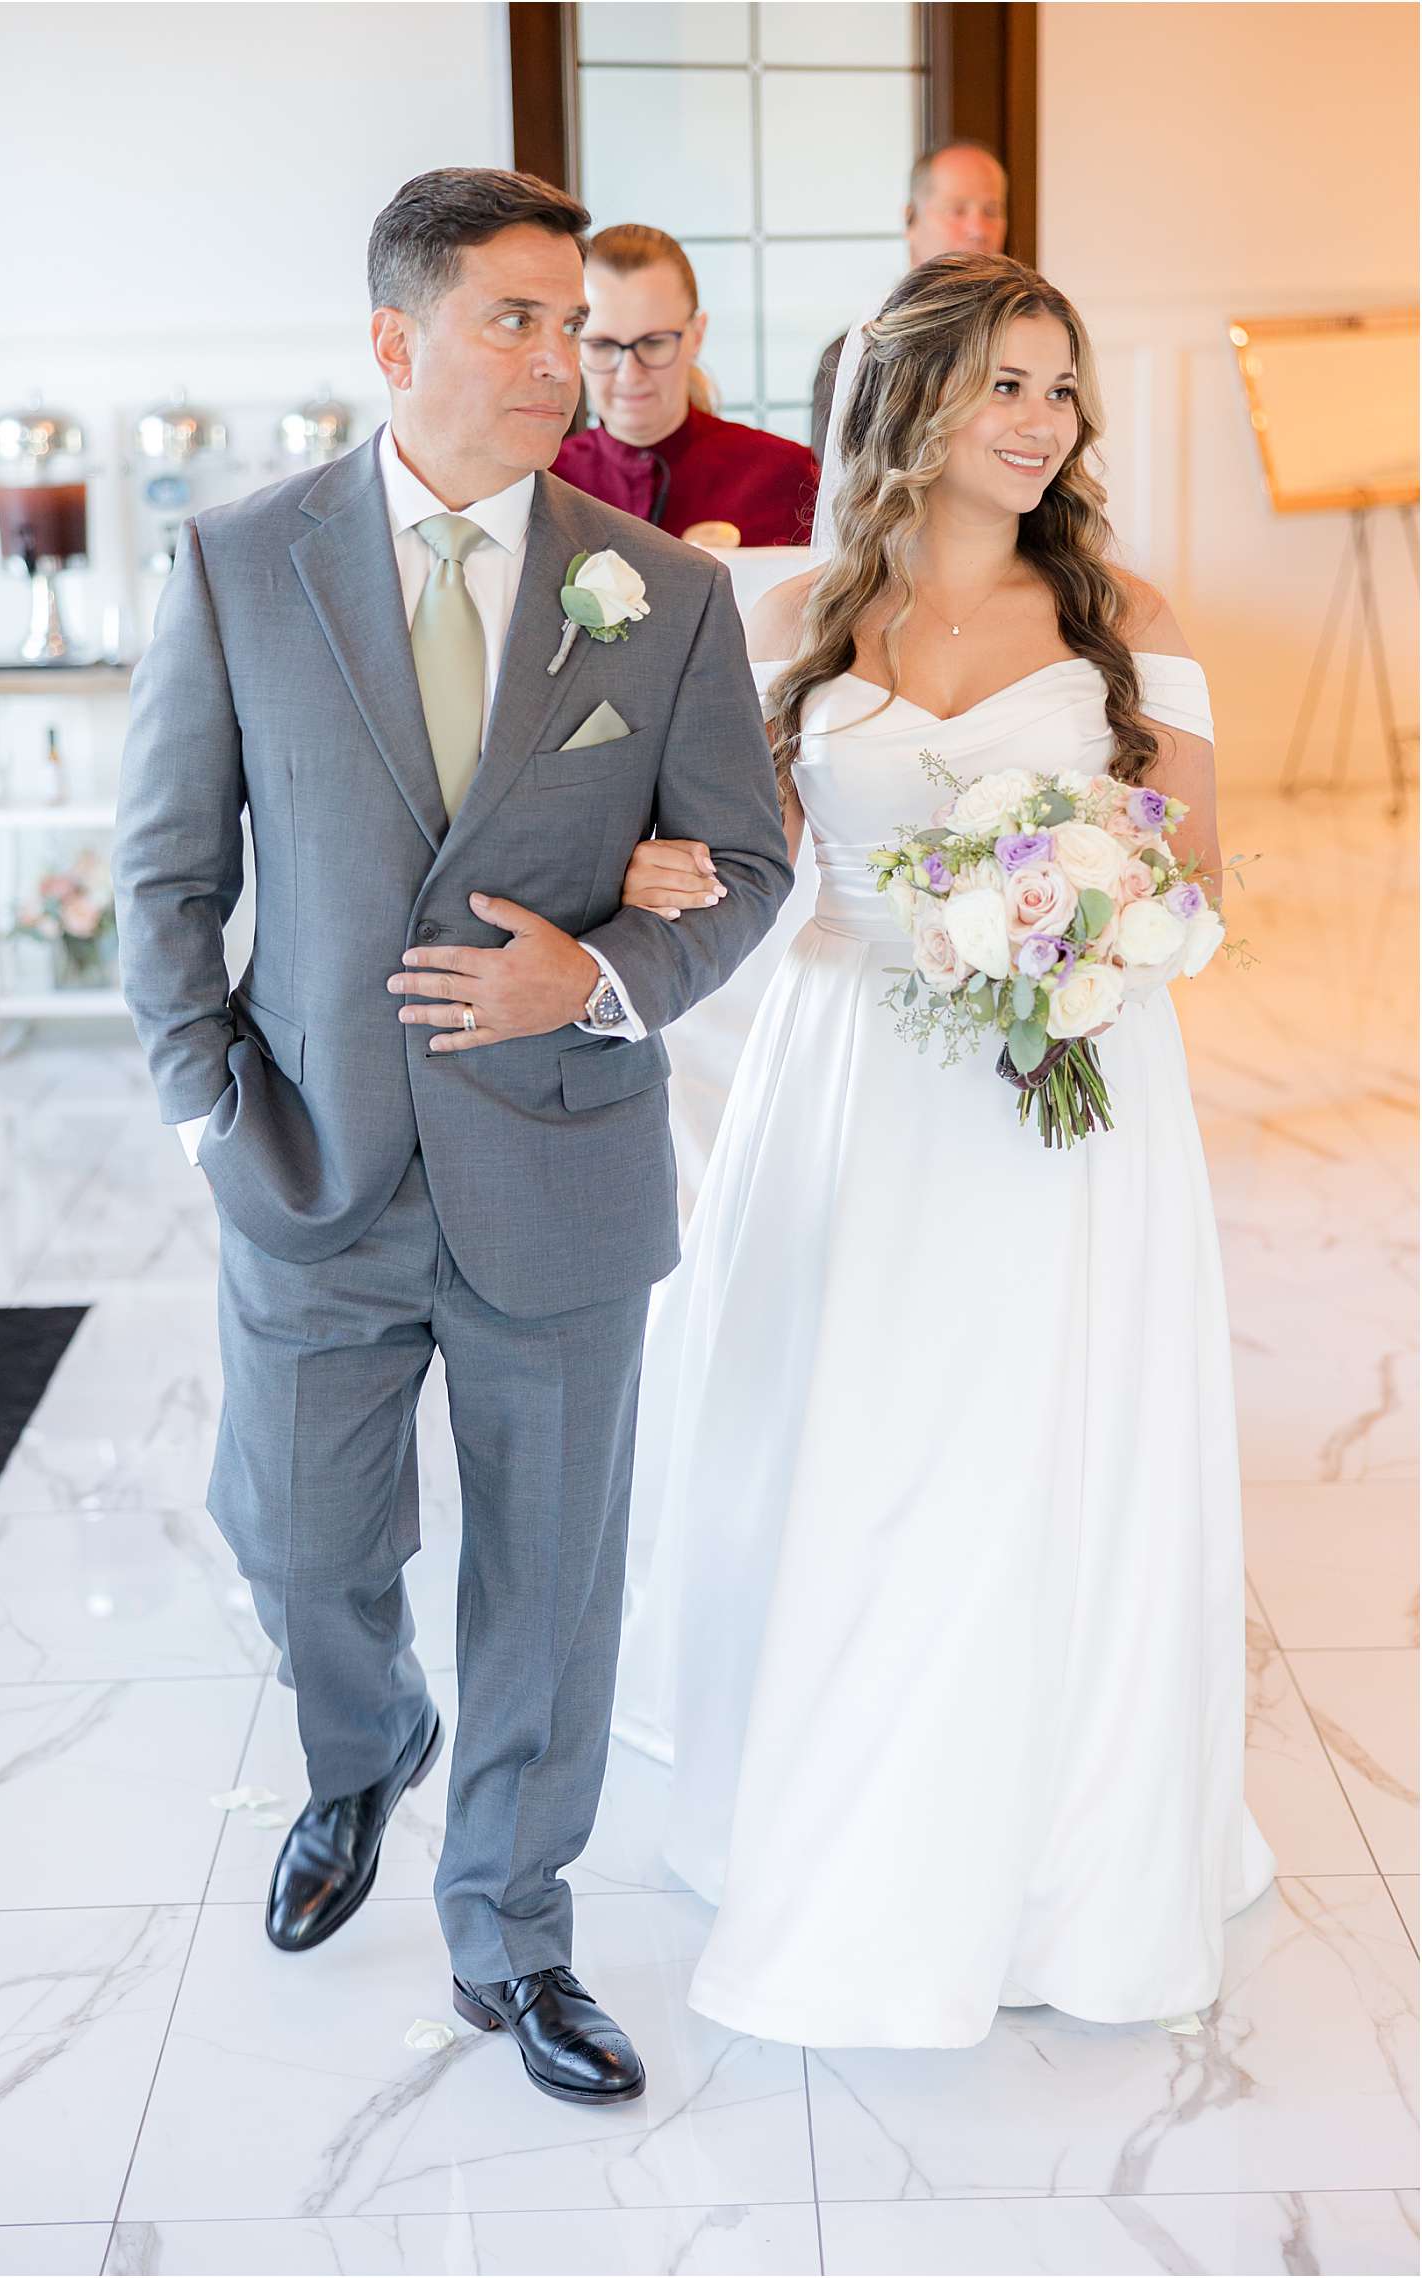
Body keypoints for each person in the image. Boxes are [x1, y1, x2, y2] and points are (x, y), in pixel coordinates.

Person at [112, 166, 792, 2106]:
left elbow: (741, 865)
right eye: (516, 317)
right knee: (300, 1535)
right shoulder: (240, 562)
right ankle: (360, 1742)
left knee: (549, 1579)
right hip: (305, 1166)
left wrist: (590, 974)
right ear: (397, 341)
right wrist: (201, 1115)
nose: (560, 356)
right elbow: (164, 872)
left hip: (562, 1158)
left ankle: (515, 1918)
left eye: (573, 321)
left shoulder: (656, 592)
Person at [611, 252, 1275, 2049]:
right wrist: (660, 875)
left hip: (1073, 1089)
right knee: (863, 1440)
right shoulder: (782, 616)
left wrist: (1083, 933)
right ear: (907, 405)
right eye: (1004, 383)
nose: (1041, 420)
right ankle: (834, 1805)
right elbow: (714, 857)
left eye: (1060, 386)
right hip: (851, 1090)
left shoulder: (1127, 610)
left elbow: (1200, 874)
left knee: (1042, 1449)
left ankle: (1058, 1851)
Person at [555, 223, 818, 545]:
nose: (629, 374)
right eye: (602, 346)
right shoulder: (546, 483)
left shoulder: (787, 478)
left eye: (653, 343)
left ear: (696, 335)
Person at [810, 141, 1009, 464]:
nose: (978, 230)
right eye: (957, 211)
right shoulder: (854, 353)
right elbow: (842, 486)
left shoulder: (1022, 345)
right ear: (910, 219)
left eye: (991, 211)